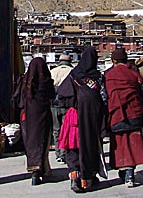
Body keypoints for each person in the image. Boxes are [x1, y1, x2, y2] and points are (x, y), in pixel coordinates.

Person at [57, 46, 107, 193]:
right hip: (93, 118)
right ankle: (88, 178)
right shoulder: (97, 77)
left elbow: (62, 95)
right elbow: (104, 98)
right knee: (90, 146)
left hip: (74, 117)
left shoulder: (74, 75)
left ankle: (74, 174)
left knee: (73, 146)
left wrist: (76, 104)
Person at [104, 48, 143, 188]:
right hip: (134, 113)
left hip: (116, 114)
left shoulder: (108, 75)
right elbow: (142, 93)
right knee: (133, 143)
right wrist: (141, 110)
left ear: (114, 61)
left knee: (120, 144)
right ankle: (130, 172)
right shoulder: (134, 74)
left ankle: (124, 170)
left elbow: (105, 97)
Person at [16, 57, 56, 185]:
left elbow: (18, 100)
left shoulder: (25, 81)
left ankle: (34, 168)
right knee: (42, 141)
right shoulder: (45, 81)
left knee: (31, 142)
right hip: (43, 116)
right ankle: (41, 169)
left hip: (27, 117)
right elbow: (52, 95)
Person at [50, 53, 74, 163]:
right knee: (66, 129)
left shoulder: (53, 71)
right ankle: (65, 152)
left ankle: (58, 152)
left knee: (56, 130)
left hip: (54, 104)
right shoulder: (72, 71)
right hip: (67, 104)